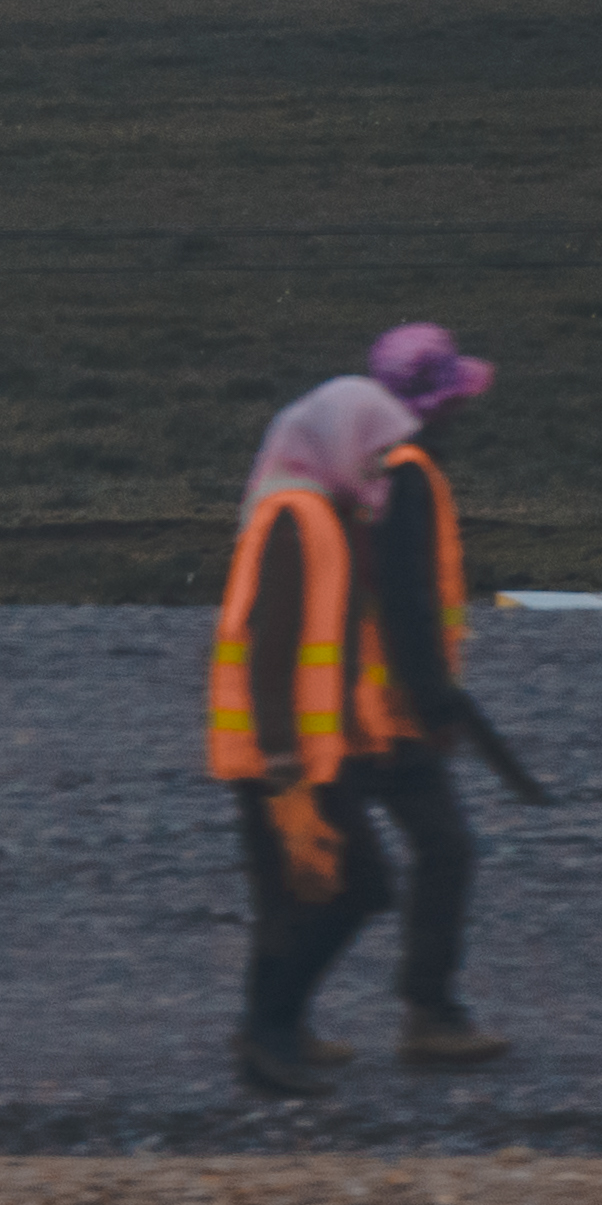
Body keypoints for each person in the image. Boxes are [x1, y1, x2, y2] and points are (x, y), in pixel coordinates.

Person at [206, 323, 508, 1095]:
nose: (384, 460)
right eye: (374, 446)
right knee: (349, 884)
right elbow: (277, 649)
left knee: (317, 887)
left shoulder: (326, 510)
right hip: (296, 755)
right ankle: (272, 1038)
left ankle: (275, 1036)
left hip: (322, 746)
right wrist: (285, 770)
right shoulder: (301, 518)